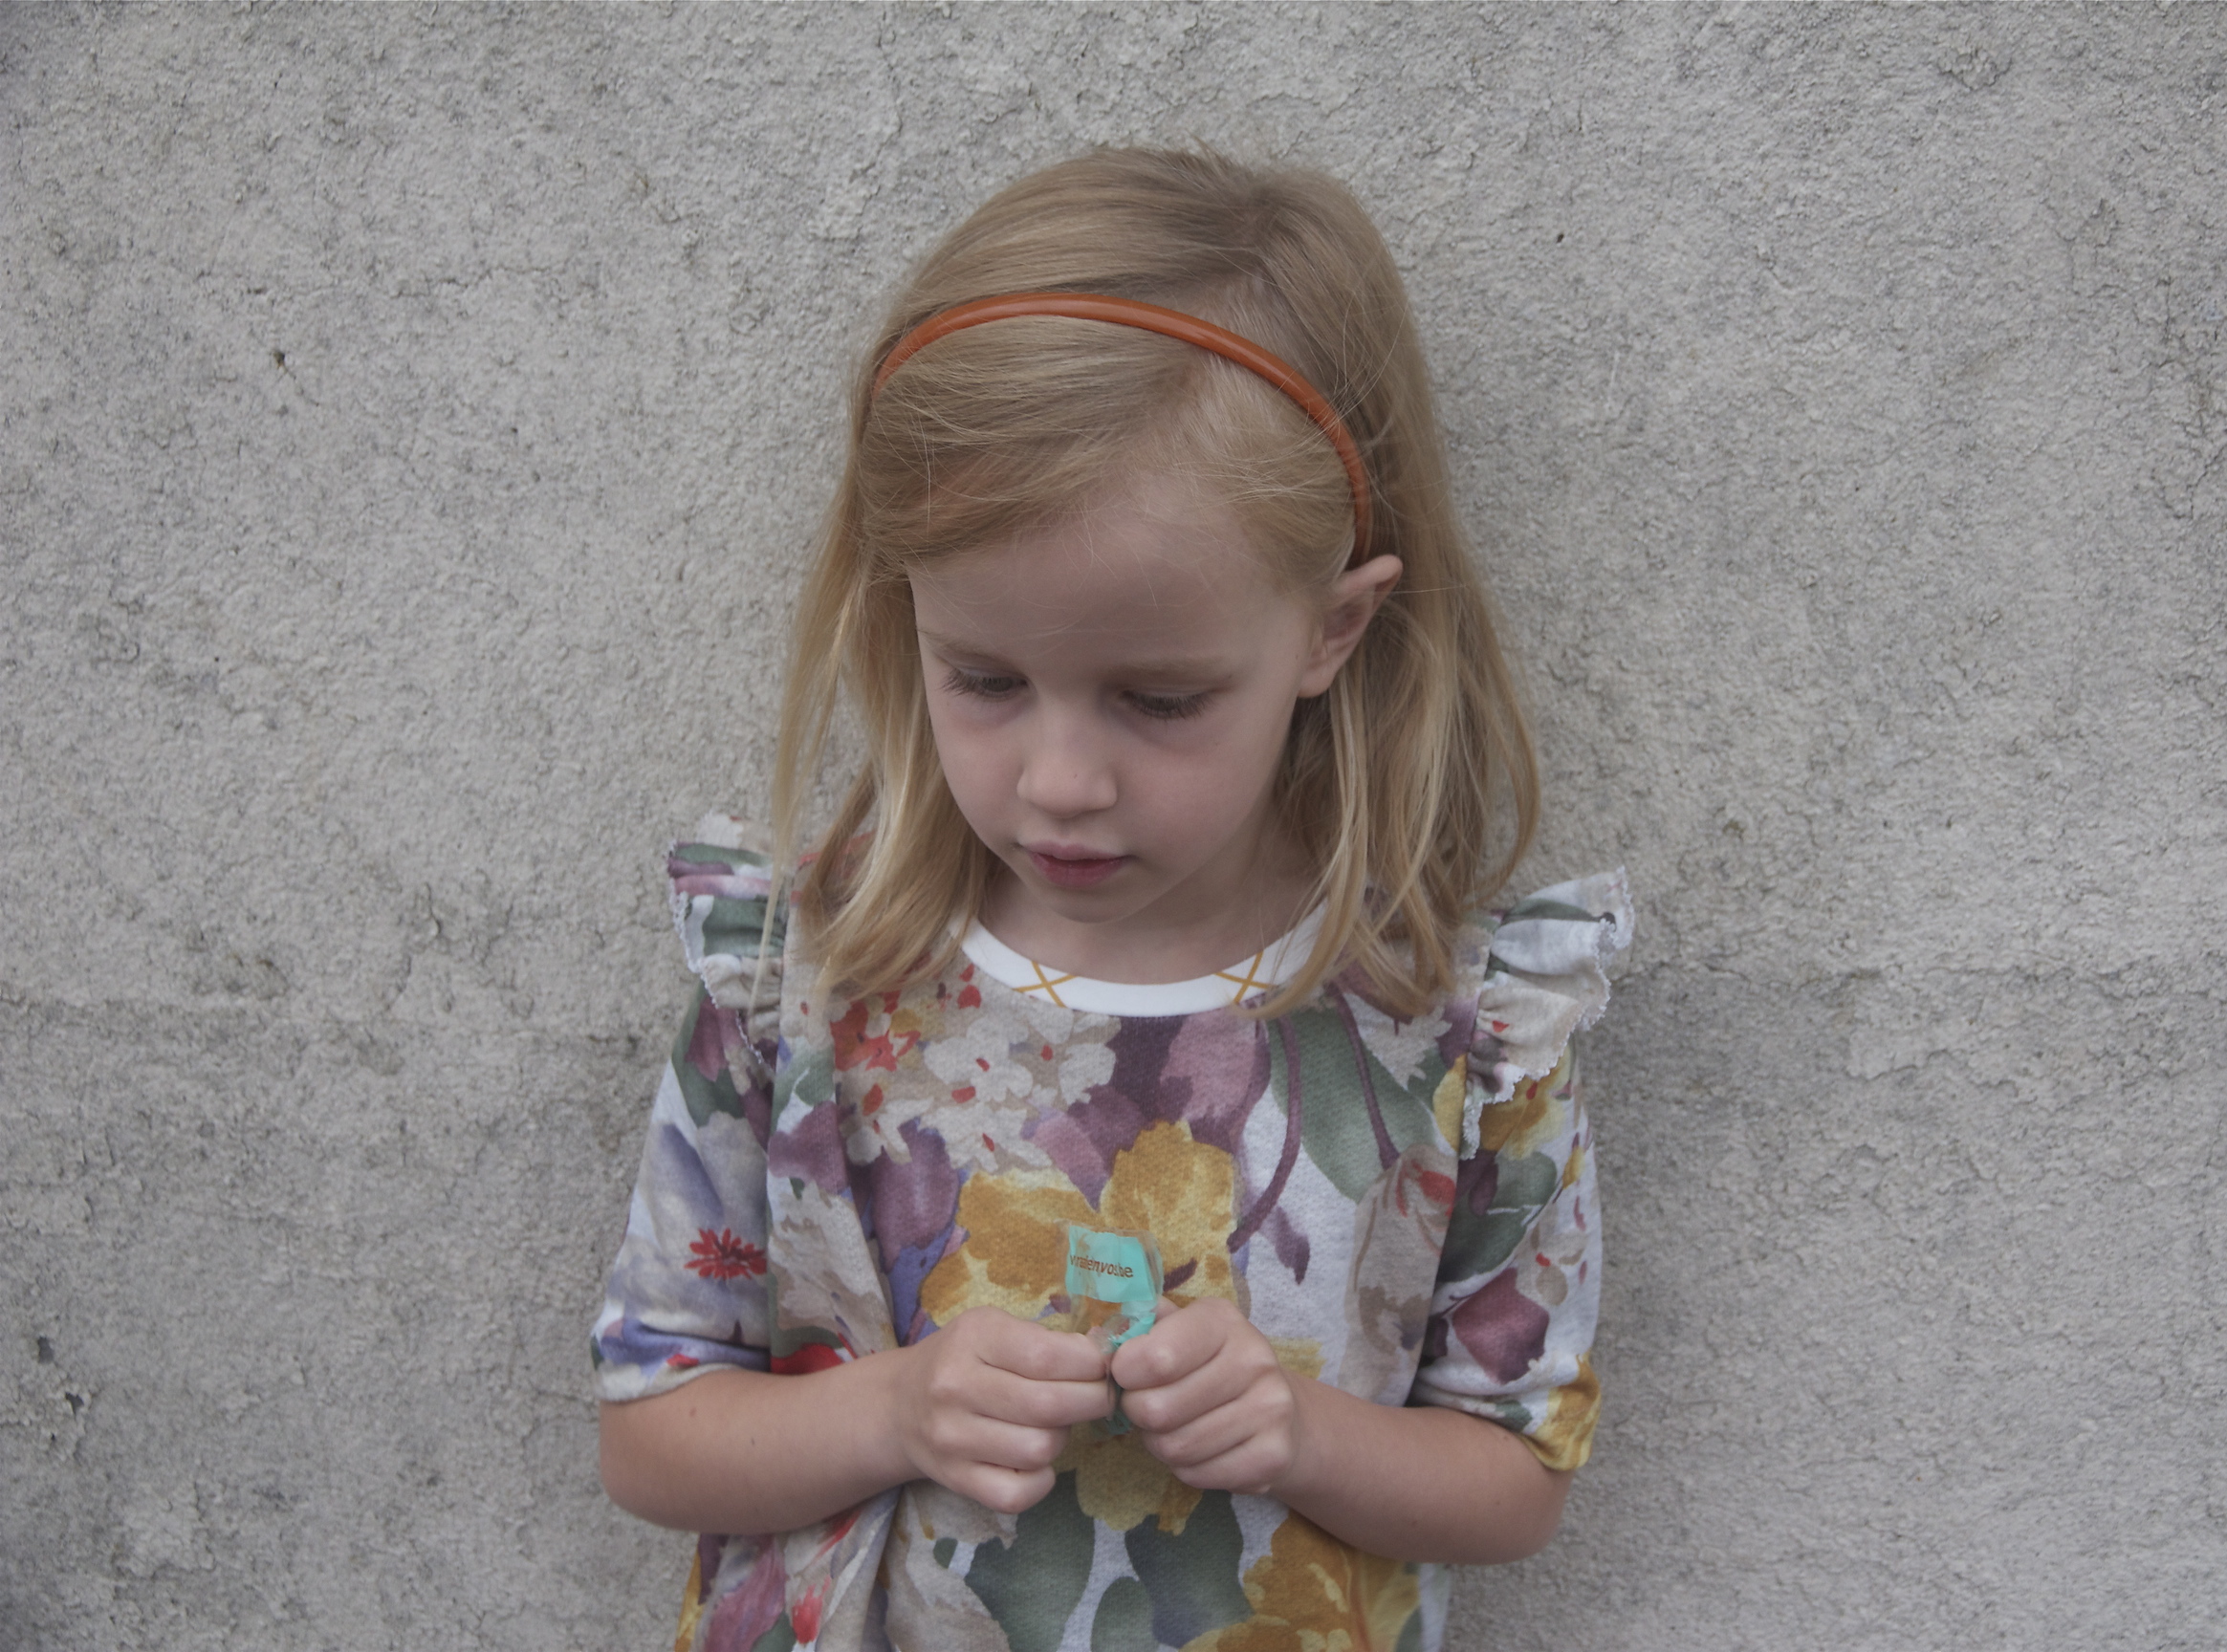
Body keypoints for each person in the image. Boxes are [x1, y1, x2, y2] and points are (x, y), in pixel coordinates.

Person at [591, 147, 1631, 1652]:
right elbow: (649, 1432)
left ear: (1332, 630)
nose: (1061, 780)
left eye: (1158, 698)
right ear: (908, 616)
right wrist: (894, 1411)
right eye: (985, 678)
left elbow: (1518, 1476)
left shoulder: (1461, 1039)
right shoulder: (805, 991)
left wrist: (1300, 1432)